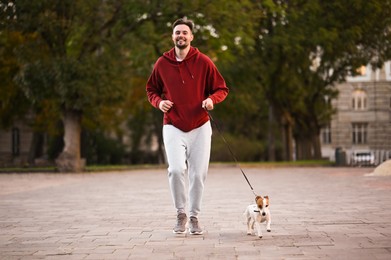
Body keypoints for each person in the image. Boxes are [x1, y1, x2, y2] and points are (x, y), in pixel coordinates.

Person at [146, 17, 229, 235]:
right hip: (172, 124)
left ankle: (194, 216)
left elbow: (222, 88)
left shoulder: (204, 62)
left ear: (191, 37)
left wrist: (212, 100)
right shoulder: (162, 64)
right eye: (177, 32)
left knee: (198, 174)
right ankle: (180, 213)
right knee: (175, 170)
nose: (181, 36)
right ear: (172, 37)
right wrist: (159, 102)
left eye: (185, 32)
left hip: (200, 125)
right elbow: (151, 90)